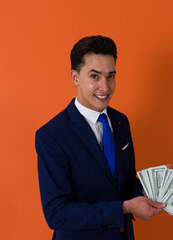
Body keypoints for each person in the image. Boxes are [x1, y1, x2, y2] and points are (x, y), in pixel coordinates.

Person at [35, 35, 165, 240]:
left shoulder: (121, 122)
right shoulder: (51, 135)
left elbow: (126, 180)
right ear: (75, 77)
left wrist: (153, 191)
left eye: (110, 76)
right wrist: (125, 208)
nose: (105, 87)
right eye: (94, 76)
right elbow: (57, 214)